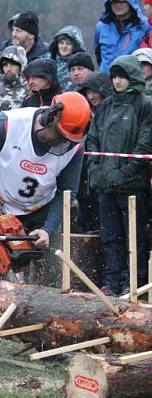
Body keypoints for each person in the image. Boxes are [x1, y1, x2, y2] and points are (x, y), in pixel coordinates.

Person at [0, 92, 90, 351]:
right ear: (50, 119)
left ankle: (48, 339)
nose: (62, 145)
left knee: (52, 273)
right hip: (1, 205)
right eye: (60, 137)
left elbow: (67, 192)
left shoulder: (75, 144)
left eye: (67, 140)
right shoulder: (11, 123)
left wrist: (48, 229)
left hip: (42, 209)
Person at [87, 55, 151, 295]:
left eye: (121, 76)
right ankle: (112, 281)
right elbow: (92, 138)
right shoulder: (105, 105)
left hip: (132, 185)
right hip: (105, 183)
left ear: (132, 77)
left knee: (134, 237)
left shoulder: (145, 105)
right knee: (110, 236)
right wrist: (95, 167)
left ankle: (135, 282)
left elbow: (144, 146)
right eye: (113, 77)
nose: (116, 81)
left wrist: (123, 173)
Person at [77, 72, 112, 233]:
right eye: (88, 92)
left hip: (105, 173)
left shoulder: (111, 112)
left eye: (94, 91)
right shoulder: (83, 113)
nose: (91, 96)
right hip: (85, 174)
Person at [95, 0, 150, 72]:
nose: (118, 5)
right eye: (114, 2)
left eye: (122, 1)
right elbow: (98, 53)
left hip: (133, 78)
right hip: (106, 79)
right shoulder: (102, 26)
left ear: (130, 3)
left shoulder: (144, 26)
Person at [48, 26, 87, 91]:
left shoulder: (83, 65)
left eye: (68, 44)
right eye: (61, 43)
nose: (64, 46)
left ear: (75, 46)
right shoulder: (50, 63)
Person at [0, 45, 28, 111]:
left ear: (22, 65)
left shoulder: (30, 89)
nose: (8, 68)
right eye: (5, 64)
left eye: (13, 64)